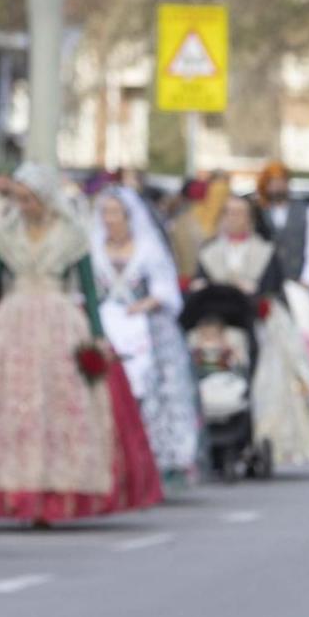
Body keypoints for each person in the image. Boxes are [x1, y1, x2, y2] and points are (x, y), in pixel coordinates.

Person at [0, 163, 163, 524]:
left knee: (62, 407)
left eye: (29, 199)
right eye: (18, 199)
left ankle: (55, 494)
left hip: (60, 322)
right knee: (11, 408)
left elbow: (88, 290)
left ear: (45, 198)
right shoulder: (9, 234)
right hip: (12, 322)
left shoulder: (72, 235)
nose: (23, 206)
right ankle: (15, 492)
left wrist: (97, 335)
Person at [197, 195, 309, 468]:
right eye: (228, 212)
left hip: (255, 327)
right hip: (217, 327)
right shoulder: (209, 252)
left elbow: (272, 292)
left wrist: (255, 296)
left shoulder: (265, 252)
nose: (233, 218)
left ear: (250, 219)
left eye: (239, 213)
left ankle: (260, 435)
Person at [90, 187, 201, 489]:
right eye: (105, 213)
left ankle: (156, 460)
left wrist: (143, 305)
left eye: (115, 213)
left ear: (128, 216)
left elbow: (165, 290)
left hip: (145, 326)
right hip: (106, 325)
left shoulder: (147, 248)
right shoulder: (94, 248)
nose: (110, 219)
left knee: (154, 387)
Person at [254, 160, 309, 386]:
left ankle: (306, 381)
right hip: (267, 289)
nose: (277, 187)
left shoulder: (308, 212)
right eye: (272, 182)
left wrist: (307, 279)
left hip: (298, 285)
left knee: (305, 333)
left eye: (281, 181)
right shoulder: (258, 213)